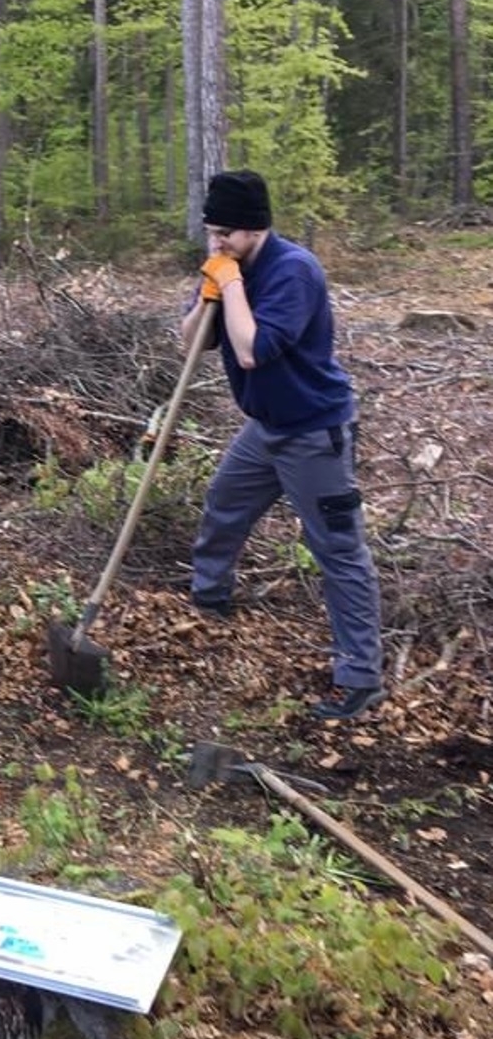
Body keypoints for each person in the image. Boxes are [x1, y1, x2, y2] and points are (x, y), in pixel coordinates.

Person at [180, 170, 386, 721]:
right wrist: (207, 296)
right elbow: (189, 346)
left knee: (338, 550)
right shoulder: (227, 269)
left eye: (225, 232)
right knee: (224, 503)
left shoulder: (293, 271)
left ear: (254, 229)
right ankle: (209, 597)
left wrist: (229, 287)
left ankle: (361, 676)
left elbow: (252, 351)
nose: (216, 242)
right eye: (210, 232)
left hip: (314, 431)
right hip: (265, 427)